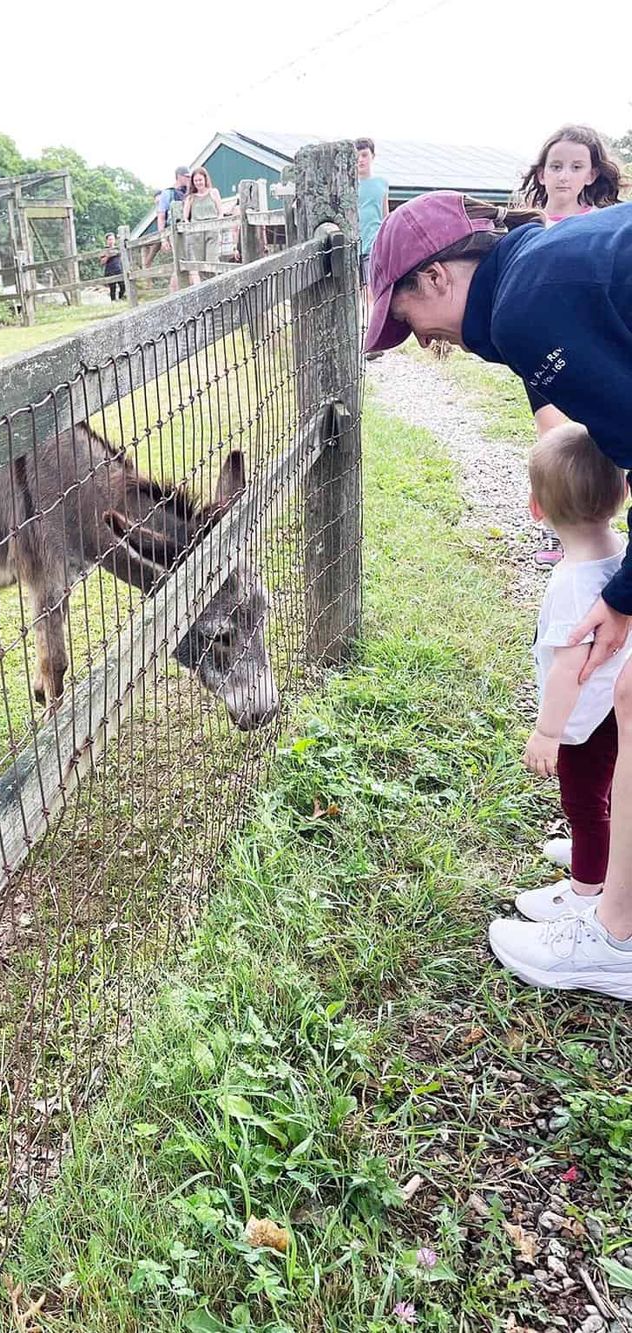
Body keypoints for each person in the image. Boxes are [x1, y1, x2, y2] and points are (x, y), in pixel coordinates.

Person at [365, 190, 632, 999]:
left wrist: (623, 596)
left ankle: (614, 936)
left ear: (437, 276)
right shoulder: (543, 268)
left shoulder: (526, 306)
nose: (421, 338)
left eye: (407, 316)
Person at [516, 425, 630, 926]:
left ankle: (587, 889)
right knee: (608, 789)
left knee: (583, 803)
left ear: (536, 507)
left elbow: (568, 671)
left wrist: (548, 733)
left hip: (585, 719)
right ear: (623, 492)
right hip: (614, 703)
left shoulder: (571, 585)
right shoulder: (621, 555)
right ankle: (601, 848)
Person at [519, 126, 626, 566]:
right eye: (556, 166)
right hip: (539, 349)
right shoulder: (527, 226)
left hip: (586, 347)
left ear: (592, 174)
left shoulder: (599, 226)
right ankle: (557, 527)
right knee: (553, 438)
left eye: (576, 167)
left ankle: (596, 527)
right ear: (542, 173)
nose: (564, 175)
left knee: (594, 439)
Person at [356, 137, 388, 359]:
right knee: (356, 294)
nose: (360, 160)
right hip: (352, 245)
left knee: (372, 292)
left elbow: (385, 215)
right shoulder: (348, 186)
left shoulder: (381, 184)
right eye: (357, 156)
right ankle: (359, 339)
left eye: (364, 155)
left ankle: (374, 341)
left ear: (372, 156)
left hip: (373, 243)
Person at [182, 168, 223, 286]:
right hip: (196, 233)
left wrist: (218, 224)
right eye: (196, 181)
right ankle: (205, 288)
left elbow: (220, 212)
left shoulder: (213, 192)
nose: (198, 183)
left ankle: (214, 286)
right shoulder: (191, 197)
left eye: (200, 180)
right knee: (200, 264)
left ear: (205, 179)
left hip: (212, 230)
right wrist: (188, 226)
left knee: (212, 261)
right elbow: (185, 217)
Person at [158, 166, 191, 292]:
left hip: (189, 230)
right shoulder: (168, 193)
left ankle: (178, 291)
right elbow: (161, 217)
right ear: (179, 176)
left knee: (187, 262)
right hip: (174, 232)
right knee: (180, 261)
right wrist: (163, 239)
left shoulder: (189, 192)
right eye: (186, 177)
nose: (188, 179)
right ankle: (174, 291)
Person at [101, 232, 124, 301]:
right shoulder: (104, 250)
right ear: (107, 241)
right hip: (110, 271)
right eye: (110, 239)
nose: (111, 241)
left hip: (118, 269)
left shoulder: (117, 248)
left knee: (123, 286)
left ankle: (120, 298)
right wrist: (108, 256)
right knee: (112, 288)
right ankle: (113, 301)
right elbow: (102, 262)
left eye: (112, 239)